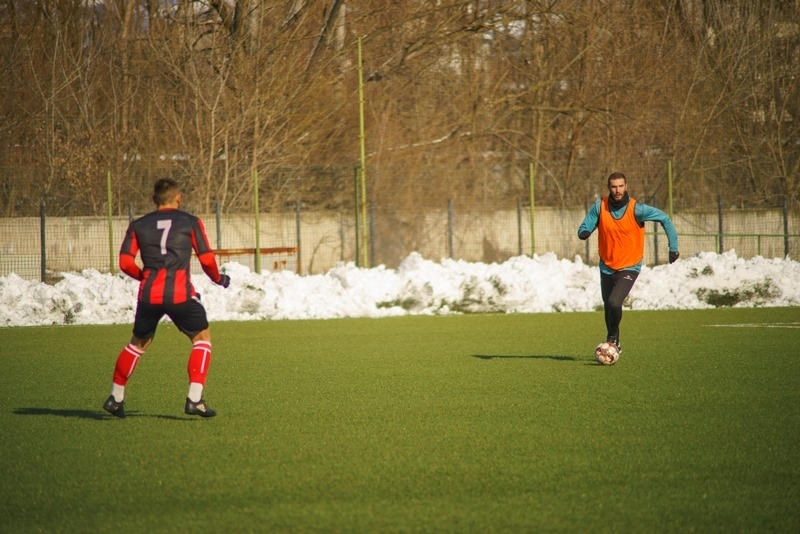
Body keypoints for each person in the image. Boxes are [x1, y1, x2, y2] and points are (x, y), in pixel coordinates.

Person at [103, 178, 231, 418]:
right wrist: (218, 279)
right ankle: (195, 399)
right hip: (179, 294)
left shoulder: (138, 225)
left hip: (149, 295)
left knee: (137, 344)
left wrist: (144, 276)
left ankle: (115, 397)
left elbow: (125, 263)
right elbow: (206, 258)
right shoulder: (190, 222)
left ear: (154, 199)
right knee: (202, 338)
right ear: (178, 198)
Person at [577, 172, 679, 353]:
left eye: (620, 186)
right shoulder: (600, 206)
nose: (617, 190)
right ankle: (614, 341)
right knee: (608, 306)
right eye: (614, 187)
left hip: (630, 266)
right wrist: (584, 231)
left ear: (626, 186)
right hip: (606, 265)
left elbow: (664, 218)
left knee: (614, 302)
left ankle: (612, 339)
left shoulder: (637, 209)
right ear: (609, 188)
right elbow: (586, 225)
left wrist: (673, 247)